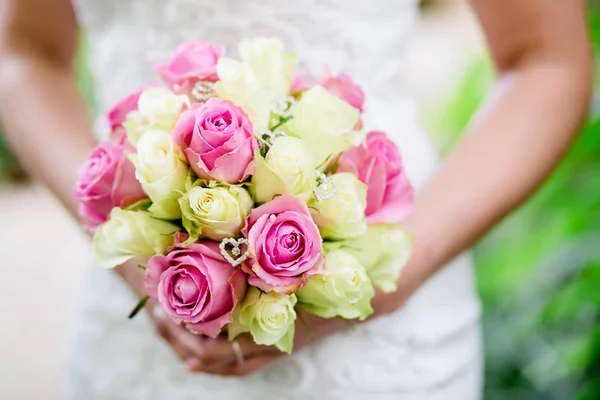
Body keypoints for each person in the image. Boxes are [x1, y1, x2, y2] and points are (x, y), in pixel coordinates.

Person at [0, 0, 591, 398]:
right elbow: (24, 54)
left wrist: (382, 277)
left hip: (384, 337)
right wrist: (137, 256)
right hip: (135, 340)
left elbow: (546, 58)